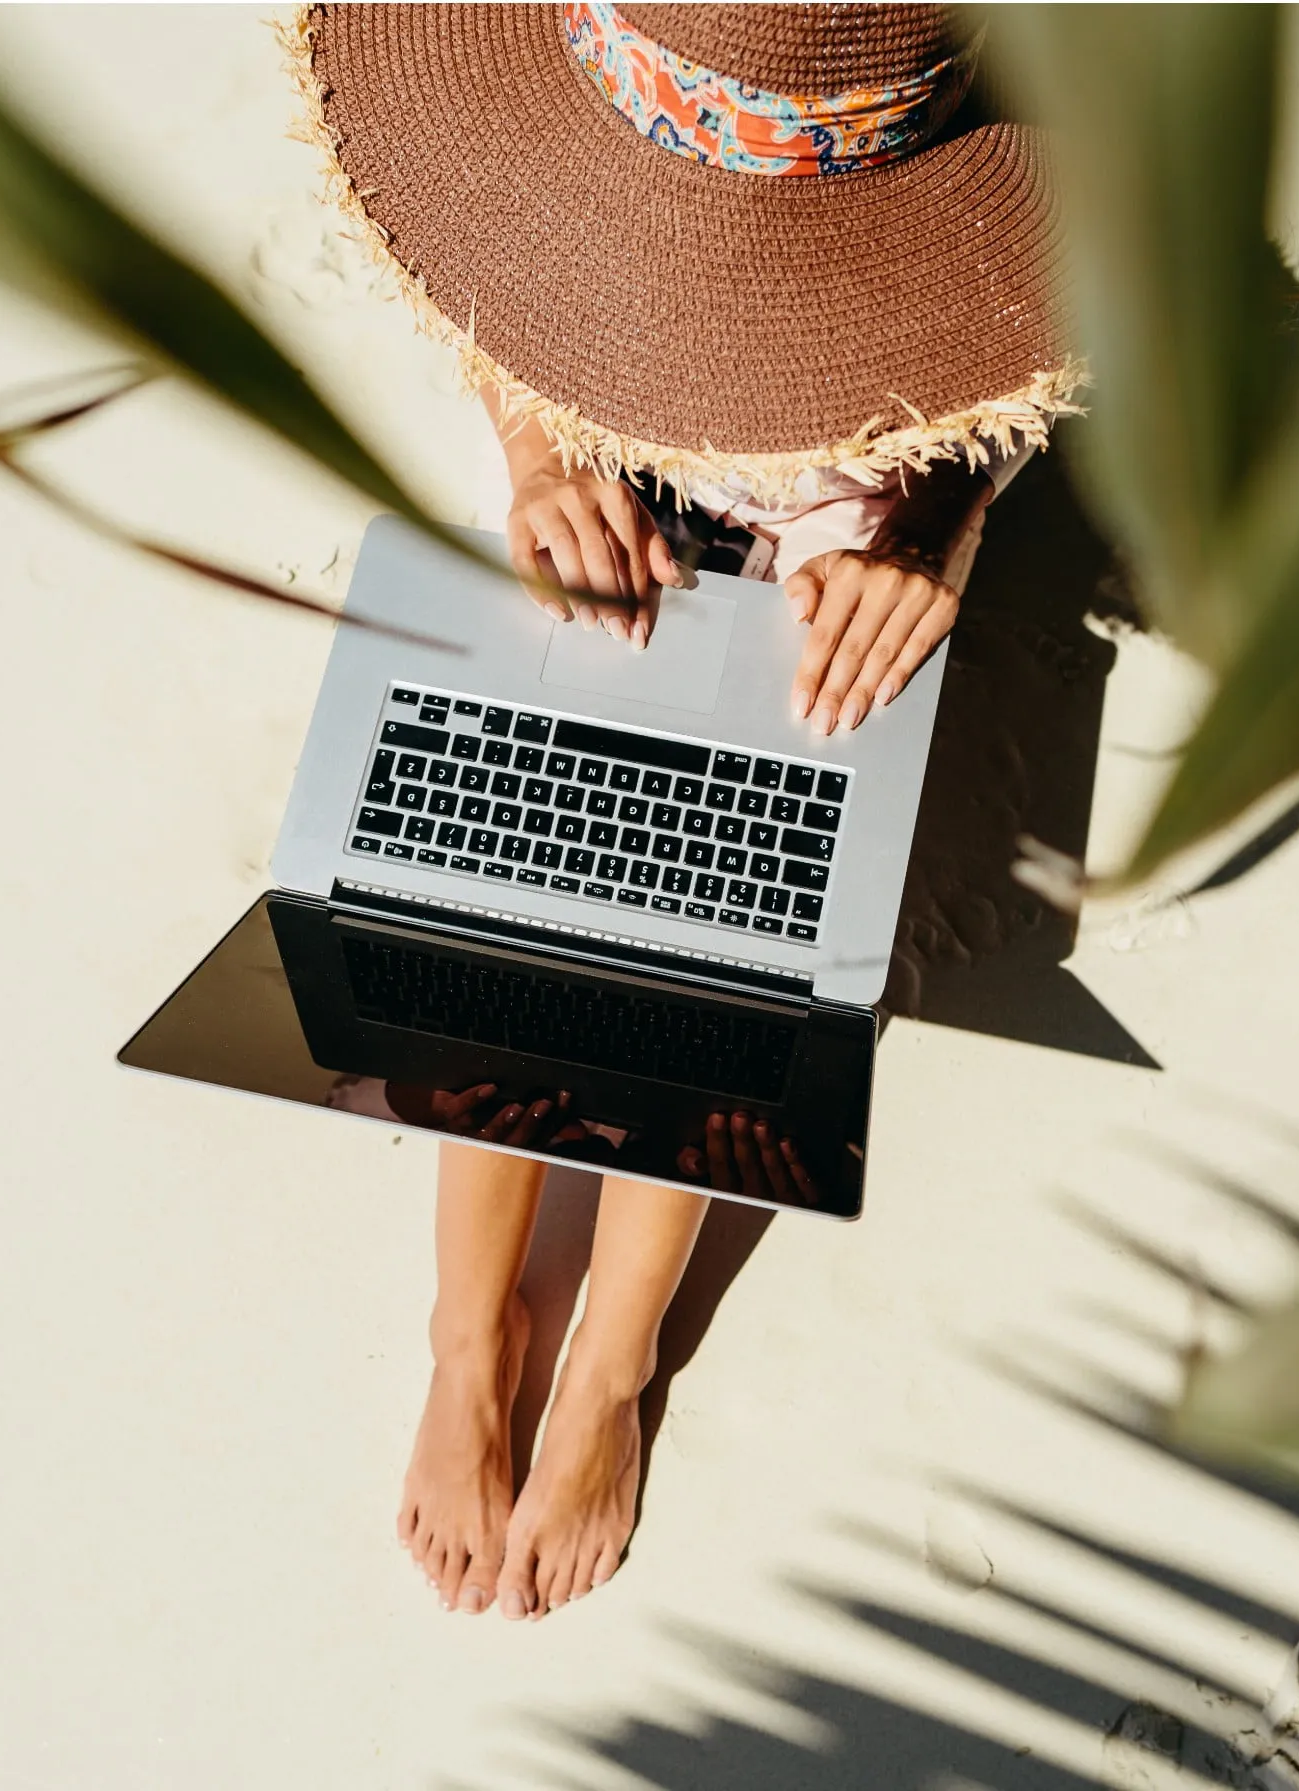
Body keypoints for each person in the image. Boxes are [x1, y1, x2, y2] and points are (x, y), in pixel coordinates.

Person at [290, 0, 1076, 1618]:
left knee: (741, 903)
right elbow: (500, 278)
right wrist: (533, 453)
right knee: (507, 860)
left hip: (856, 469)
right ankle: (472, 1327)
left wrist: (931, 528)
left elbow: (1051, 336)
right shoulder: (577, 132)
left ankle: (616, 1351)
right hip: (610, 411)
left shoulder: (943, 98)